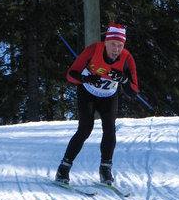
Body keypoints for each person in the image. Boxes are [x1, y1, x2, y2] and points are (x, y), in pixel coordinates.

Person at [55, 23, 139, 185]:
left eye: (120, 45)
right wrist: (86, 79)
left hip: (108, 96)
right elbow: (71, 74)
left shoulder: (127, 58)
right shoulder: (93, 50)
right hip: (87, 93)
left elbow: (134, 91)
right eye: (113, 44)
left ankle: (105, 170)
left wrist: (124, 79)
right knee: (85, 129)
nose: (116, 49)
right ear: (105, 42)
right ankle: (63, 169)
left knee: (110, 129)